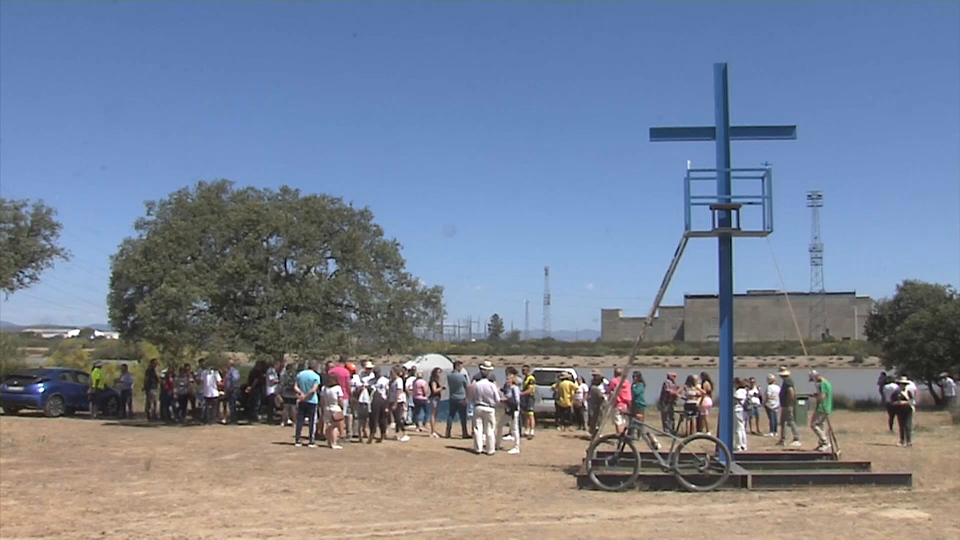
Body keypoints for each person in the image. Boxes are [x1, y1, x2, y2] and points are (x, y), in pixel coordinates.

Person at [470, 371, 501, 456]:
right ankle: (490, 449)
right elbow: (497, 399)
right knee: (490, 429)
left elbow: (472, 397)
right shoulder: (492, 385)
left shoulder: (476, 385)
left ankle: (478, 448)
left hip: (478, 406)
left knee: (477, 428)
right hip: (489, 407)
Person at [294, 362, 321, 448]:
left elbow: (295, 386)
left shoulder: (300, 374)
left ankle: (298, 439)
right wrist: (306, 396)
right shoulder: (316, 376)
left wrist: (301, 394)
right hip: (312, 400)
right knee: (312, 421)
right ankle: (311, 440)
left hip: (301, 400)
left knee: (300, 420)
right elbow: (313, 390)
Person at [630, 370, 660, 450]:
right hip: (634, 405)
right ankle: (631, 435)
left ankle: (640, 435)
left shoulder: (640, 385)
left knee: (640, 421)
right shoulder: (633, 385)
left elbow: (636, 392)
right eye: (633, 377)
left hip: (640, 406)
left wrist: (633, 388)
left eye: (635, 377)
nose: (633, 378)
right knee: (632, 420)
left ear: (638, 377)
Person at [496, 369, 522, 454]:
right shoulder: (508, 388)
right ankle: (497, 444)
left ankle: (516, 447)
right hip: (508, 411)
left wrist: (506, 400)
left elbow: (517, 401)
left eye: (508, 379)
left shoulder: (515, 388)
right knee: (500, 425)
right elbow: (503, 391)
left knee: (515, 429)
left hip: (514, 411)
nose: (506, 380)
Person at [809, 370, 833, 453]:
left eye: (814, 380)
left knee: (813, 424)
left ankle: (825, 441)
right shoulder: (828, 383)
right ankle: (822, 444)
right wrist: (816, 395)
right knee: (821, 425)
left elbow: (823, 396)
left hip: (822, 408)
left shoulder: (823, 384)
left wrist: (818, 397)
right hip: (827, 407)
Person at [776, 368, 801, 447]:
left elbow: (791, 392)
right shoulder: (786, 381)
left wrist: (790, 403)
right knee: (784, 422)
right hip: (785, 405)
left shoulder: (788, 381)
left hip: (787, 405)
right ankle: (783, 439)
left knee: (790, 421)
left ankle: (796, 438)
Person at [445, 360, 470, 439]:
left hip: (452, 397)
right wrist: (467, 398)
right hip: (461, 397)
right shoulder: (461, 376)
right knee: (463, 416)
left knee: (451, 415)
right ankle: (464, 432)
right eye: (460, 367)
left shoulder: (449, 376)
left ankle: (448, 432)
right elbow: (466, 386)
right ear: (457, 366)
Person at [321, 374, 345, 450]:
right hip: (335, 407)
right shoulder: (337, 388)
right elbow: (340, 399)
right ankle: (334, 443)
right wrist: (342, 407)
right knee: (335, 426)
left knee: (328, 425)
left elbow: (322, 400)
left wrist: (322, 408)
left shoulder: (324, 388)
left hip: (327, 407)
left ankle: (329, 441)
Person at [890, 375, 915, 447]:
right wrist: (898, 403)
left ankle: (909, 441)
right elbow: (892, 402)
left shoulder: (908, 392)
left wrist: (904, 403)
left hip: (908, 410)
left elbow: (912, 401)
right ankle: (902, 440)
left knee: (908, 425)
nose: (902, 386)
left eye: (904, 384)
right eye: (901, 384)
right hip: (899, 410)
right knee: (901, 426)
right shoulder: (895, 393)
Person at [606, 368, 633, 436]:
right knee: (623, 422)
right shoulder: (626, 382)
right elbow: (628, 393)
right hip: (625, 405)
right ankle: (623, 436)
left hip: (617, 404)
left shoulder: (614, 381)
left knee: (618, 422)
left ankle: (620, 437)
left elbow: (608, 390)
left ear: (614, 373)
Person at [368, 367, 390, 444]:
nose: (376, 374)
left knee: (382, 419)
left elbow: (388, 392)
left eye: (377, 372)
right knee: (373, 419)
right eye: (375, 373)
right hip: (373, 400)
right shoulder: (371, 381)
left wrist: (387, 404)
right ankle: (372, 434)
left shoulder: (385, 381)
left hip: (383, 400)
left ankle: (382, 435)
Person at [389, 367, 409, 442]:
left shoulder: (399, 380)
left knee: (398, 418)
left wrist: (395, 403)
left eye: (392, 373)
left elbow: (398, 391)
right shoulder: (392, 381)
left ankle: (405, 433)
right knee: (396, 418)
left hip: (398, 401)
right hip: (392, 400)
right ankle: (397, 433)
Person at [587, 370, 607, 437]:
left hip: (601, 400)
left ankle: (598, 431)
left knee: (600, 416)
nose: (594, 376)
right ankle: (592, 431)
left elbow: (608, 389)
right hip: (594, 399)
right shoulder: (592, 381)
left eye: (595, 375)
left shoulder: (604, 382)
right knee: (593, 415)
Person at [279, 362, 299, 427]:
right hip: (293, 393)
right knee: (293, 408)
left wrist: (280, 393)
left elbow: (281, 384)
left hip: (285, 393)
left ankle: (283, 421)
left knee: (285, 408)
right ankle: (295, 422)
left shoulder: (283, 374)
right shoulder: (295, 375)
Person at [520, 365, 537, 439]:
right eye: (522, 370)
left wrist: (520, 394)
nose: (522, 371)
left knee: (530, 415)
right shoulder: (525, 378)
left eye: (524, 370)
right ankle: (526, 430)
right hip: (525, 398)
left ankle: (532, 431)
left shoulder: (531, 379)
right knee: (526, 414)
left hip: (529, 397)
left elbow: (530, 389)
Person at [222, 359, 241, 424]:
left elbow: (235, 380)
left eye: (228, 363)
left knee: (233, 404)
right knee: (230, 405)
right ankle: (231, 418)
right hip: (229, 391)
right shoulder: (229, 371)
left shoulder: (234, 371)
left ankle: (234, 419)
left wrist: (232, 388)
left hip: (233, 391)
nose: (227, 365)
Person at [733, 377, 749, 452]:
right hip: (744, 411)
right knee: (742, 428)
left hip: (738, 410)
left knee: (738, 429)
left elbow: (736, 401)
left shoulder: (738, 392)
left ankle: (738, 445)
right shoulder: (745, 391)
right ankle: (744, 444)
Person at [427, 367, 443, 438]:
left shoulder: (435, 380)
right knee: (433, 415)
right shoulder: (433, 381)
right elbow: (434, 390)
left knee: (435, 415)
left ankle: (433, 430)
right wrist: (441, 388)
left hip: (436, 398)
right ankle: (432, 431)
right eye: (438, 372)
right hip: (434, 398)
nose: (440, 374)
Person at [264, 360, 280, 425]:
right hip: (271, 390)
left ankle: (271, 418)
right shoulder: (271, 371)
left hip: (274, 391)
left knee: (272, 406)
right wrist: (280, 381)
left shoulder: (274, 371)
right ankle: (269, 419)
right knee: (270, 406)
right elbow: (273, 380)